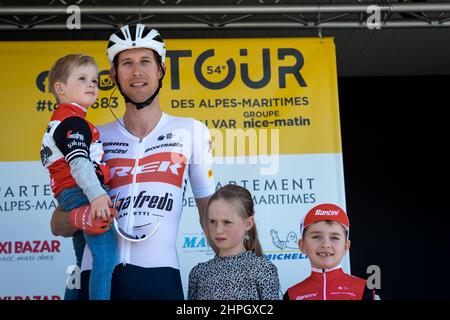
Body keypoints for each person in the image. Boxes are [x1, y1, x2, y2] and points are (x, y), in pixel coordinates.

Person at [50, 24, 215, 300]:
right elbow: (57, 223)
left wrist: (231, 262)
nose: (136, 72)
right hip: (96, 279)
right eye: (126, 63)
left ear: (161, 70)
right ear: (113, 75)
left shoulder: (191, 131)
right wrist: (82, 217)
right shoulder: (94, 136)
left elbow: (208, 213)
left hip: (160, 278)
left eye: (145, 61)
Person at [41, 54, 117, 300]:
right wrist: (96, 196)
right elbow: (79, 162)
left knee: (83, 260)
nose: (92, 84)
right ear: (60, 89)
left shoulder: (63, 119)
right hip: (82, 194)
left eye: (94, 80)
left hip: (69, 195)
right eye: (82, 78)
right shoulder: (72, 120)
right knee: (105, 258)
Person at [188, 184, 280, 300]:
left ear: (248, 224)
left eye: (227, 222)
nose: (218, 230)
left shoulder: (264, 270)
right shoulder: (198, 273)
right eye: (212, 221)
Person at [283, 203, 378, 300]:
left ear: (346, 246)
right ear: (302, 245)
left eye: (334, 238)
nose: (326, 244)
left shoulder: (364, 288)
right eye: (316, 237)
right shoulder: (292, 294)